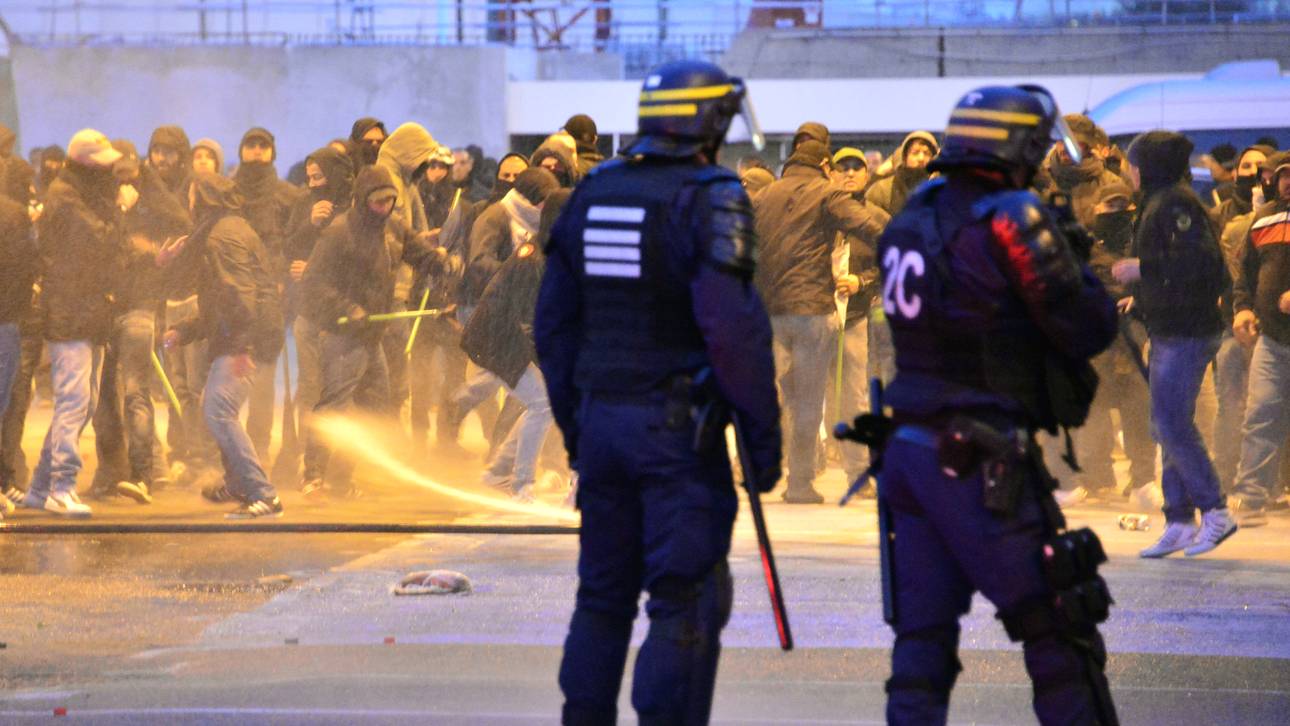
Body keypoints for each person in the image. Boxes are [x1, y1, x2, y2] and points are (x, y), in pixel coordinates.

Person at [536, 59, 782, 725]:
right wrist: (763, 446)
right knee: (684, 598)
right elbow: (734, 333)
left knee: (603, 596)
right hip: (677, 435)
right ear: (709, 123)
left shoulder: (593, 192)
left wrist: (577, 427)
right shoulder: (711, 195)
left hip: (604, 427)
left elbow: (553, 325)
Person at [871, 86, 1119, 724]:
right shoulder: (1010, 216)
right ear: (1022, 145)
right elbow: (1089, 328)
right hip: (981, 459)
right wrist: (1074, 255)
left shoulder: (911, 213)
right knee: (1060, 631)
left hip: (908, 450)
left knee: (922, 645)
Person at [1114, 131, 1235, 557]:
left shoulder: (1175, 203)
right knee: (1167, 424)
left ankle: (1215, 511)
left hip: (1187, 331)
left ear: (1147, 165)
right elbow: (1178, 272)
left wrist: (1140, 268)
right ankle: (1180, 521)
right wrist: (1141, 296)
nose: (1128, 170)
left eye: (1132, 162)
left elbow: (1201, 263)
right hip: (1170, 327)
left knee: (1173, 425)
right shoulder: (1159, 200)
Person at [299, 166, 447, 499]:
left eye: (390, 201)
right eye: (378, 201)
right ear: (363, 199)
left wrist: (438, 261)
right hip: (343, 336)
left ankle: (341, 477)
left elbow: (418, 254)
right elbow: (313, 283)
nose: (384, 207)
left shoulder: (394, 228)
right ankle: (313, 475)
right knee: (334, 404)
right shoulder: (339, 232)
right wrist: (348, 308)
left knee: (376, 404)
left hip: (371, 336)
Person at [754, 139, 886, 503]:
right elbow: (866, 224)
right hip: (812, 310)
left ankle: (757, 473)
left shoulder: (765, 195)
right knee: (810, 400)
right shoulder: (825, 193)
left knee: (773, 396)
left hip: (770, 310)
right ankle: (799, 484)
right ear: (824, 164)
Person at [22, 130, 134, 518]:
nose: (112, 169)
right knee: (73, 402)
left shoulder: (82, 193)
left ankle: (40, 487)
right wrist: (120, 211)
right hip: (69, 314)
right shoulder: (66, 197)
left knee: (82, 404)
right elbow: (99, 242)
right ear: (86, 161)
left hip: (88, 314)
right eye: (104, 161)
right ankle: (61, 487)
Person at [165, 172, 285, 519]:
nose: (189, 200)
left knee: (218, 411)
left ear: (204, 198)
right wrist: (185, 331)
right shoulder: (227, 229)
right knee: (215, 407)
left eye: (192, 193)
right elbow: (220, 300)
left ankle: (263, 493)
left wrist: (243, 347)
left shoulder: (222, 236)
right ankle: (237, 482)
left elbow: (239, 293)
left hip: (246, 337)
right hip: (243, 334)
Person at [1228, 151, 1290, 526]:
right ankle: (1251, 497)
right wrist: (1242, 308)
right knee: (1260, 414)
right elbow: (1245, 274)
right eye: (1283, 175)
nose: (1287, 181)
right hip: (1272, 339)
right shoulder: (1263, 218)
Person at [0, 155, 36, 520]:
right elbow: (26, 264)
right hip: (6, 320)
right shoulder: (13, 215)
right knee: (5, 402)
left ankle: (7, 478)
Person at [866, 130, 938, 216]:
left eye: (927, 153)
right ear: (904, 157)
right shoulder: (882, 190)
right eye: (915, 153)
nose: (921, 158)